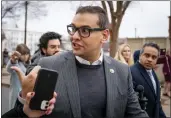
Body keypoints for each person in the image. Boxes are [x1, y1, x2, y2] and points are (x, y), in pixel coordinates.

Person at [2, 6, 148, 118]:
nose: (74, 36)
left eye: (84, 30)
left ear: (104, 35)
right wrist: (23, 103)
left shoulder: (121, 71)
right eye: (73, 29)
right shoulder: (47, 66)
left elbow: (134, 113)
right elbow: (27, 112)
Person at [130, 42, 166, 118]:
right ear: (140, 55)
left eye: (154, 57)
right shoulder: (130, 72)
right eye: (147, 55)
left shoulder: (152, 72)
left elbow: (156, 103)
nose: (150, 59)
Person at [6, 44, 30, 110]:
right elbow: (9, 69)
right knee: (15, 112)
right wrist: (13, 60)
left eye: (27, 54)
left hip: (26, 94)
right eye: (23, 54)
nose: (25, 56)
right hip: (16, 93)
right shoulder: (15, 63)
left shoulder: (29, 64)